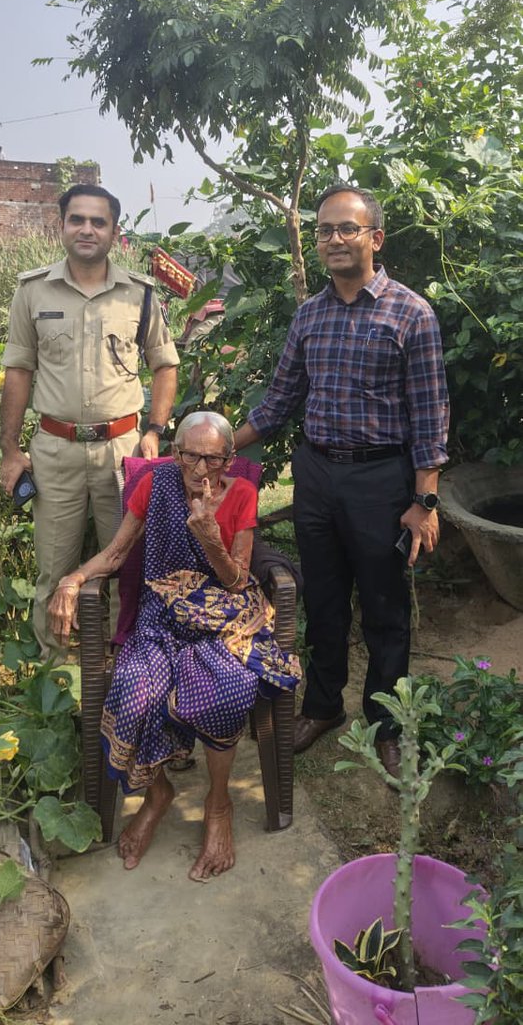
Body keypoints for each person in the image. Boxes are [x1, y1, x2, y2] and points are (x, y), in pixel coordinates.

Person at [233, 184, 449, 777]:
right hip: (318, 475)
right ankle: (324, 706)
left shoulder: (411, 313)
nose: (332, 239)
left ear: (374, 238)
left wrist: (424, 501)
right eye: (325, 229)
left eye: (346, 229)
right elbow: (278, 403)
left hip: (382, 478)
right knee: (322, 600)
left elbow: (431, 415)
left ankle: (384, 725)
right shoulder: (310, 315)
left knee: (384, 608)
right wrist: (217, 443)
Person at [47, 412, 300, 879]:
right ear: (176, 452)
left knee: (227, 691)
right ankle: (156, 792)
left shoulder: (240, 495)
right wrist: (74, 577)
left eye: (213, 458)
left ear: (229, 459)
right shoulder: (157, 485)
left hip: (220, 619)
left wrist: (211, 539)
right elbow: (118, 552)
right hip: (159, 617)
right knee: (133, 687)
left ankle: (219, 803)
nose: (201, 468)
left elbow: (237, 580)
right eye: (190, 455)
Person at [0, 184, 179, 659]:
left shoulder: (139, 295)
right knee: (53, 569)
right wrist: (11, 451)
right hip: (54, 453)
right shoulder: (32, 291)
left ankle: (127, 671)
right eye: (77, 219)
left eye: (98, 222)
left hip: (122, 452)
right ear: (61, 226)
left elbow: (165, 365)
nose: (87, 229)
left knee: (128, 566)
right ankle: (58, 676)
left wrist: (155, 430)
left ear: (114, 232)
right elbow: (18, 371)